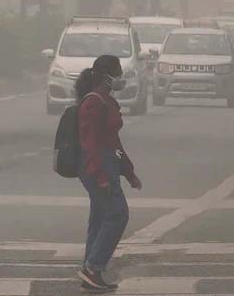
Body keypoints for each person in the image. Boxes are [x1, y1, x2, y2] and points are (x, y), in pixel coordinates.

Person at [76, 55, 142, 293]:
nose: (120, 78)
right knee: (117, 214)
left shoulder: (107, 101)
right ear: (106, 77)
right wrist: (100, 175)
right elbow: (90, 143)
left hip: (107, 164)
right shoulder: (93, 103)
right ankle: (93, 267)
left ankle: (90, 270)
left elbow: (114, 143)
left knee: (100, 217)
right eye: (117, 73)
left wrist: (128, 172)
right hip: (97, 167)